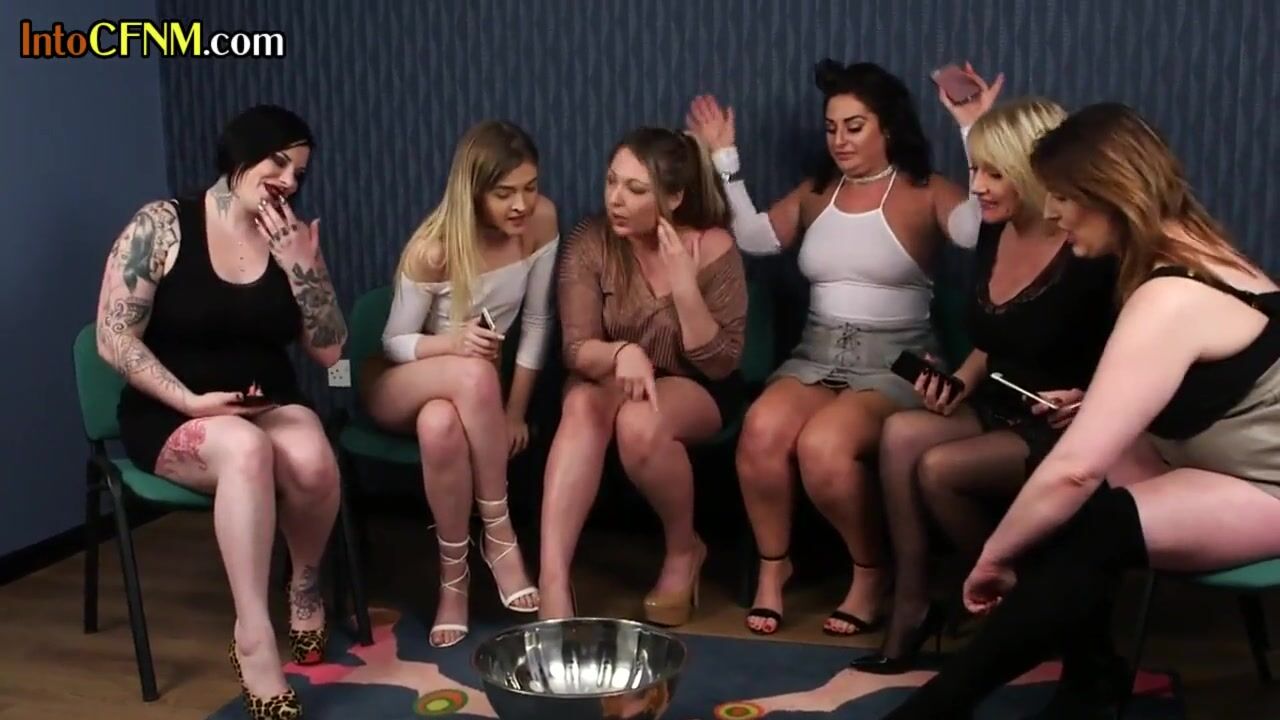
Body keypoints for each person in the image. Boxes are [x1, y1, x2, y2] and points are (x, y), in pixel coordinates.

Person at [884, 102, 1280, 719]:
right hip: (1216, 457)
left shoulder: (1169, 295)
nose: (1051, 212)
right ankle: (1089, 681)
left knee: (1079, 520)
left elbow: (1073, 470)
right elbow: (1224, 376)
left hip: (1265, 483)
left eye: (1064, 197)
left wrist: (995, 558)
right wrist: (1102, 399)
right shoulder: (1197, 251)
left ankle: (939, 709)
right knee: (1067, 515)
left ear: (1108, 193)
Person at [685, 59, 984, 636]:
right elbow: (756, 238)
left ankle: (871, 573)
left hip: (897, 361)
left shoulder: (924, 190)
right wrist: (724, 158)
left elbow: (976, 230)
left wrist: (971, 129)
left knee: (824, 447)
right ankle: (774, 567)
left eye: (854, 126)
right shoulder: (817, 192)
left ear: (887, 128)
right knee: (761, 431)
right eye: (831, 128)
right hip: (816, 353)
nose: (840, 140)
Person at [96, 104, 346, 718]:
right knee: (245, 448)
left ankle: (304, 586)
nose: (288, 181)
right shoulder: (162, 225)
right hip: (174, 411)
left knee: (313, 459)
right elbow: (113, 337)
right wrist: (189, 401)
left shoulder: (288, 234)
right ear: (240, 154)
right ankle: (253, 637)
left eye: (299, 172)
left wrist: (302, 266)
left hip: (264, 402)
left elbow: (330, 351)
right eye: (278, 163)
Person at [861, 84, 1120, 672]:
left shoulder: (1089, 248)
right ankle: (913, 605)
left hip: (1062, 422)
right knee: (901, 433)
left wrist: (1092, 400)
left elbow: (1131, 351)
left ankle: (1021, 603)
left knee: (939, 468)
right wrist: (956, 381)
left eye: (993, 173)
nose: (976, 186)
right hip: (999, 403)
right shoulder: (993, 231)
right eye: (975, 169)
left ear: (1036, 172)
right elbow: (993, 337)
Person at [537, 127, 748, 625]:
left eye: (635, 189)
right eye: (612, 181)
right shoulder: (590, 241)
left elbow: (721, 362)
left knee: (638, 423)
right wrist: (621, 352)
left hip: (695, 383)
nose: (616, 198)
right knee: (580, 403)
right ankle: (552, 580)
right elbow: (575, 349)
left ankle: (683, 550)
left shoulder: (713, 246)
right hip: (614, 374)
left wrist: (683, 284)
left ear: (673, 198)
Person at [360, 120, 557, 648]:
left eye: (530, 187)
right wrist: (452, 343)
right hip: (401, 381)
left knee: (441, 426)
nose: (521, 204)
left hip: (467, 399)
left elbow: (537, 320)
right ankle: (500, 535)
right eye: (504, 193)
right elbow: (393, 342)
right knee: (471, 371)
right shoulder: (435, 248)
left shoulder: (541, 222)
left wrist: (514, 412)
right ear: (473, 192)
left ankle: (454, 583)